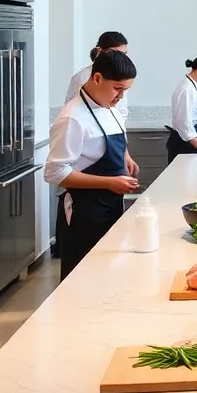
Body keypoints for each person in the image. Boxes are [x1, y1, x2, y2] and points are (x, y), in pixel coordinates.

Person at [47, 50, 139, 280]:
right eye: (117, 89)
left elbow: (111, 140)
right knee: (83, 278)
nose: (120, 96)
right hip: (84, 212)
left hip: (110, 206)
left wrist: (125, 157)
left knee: (108, 274)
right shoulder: (72, 118)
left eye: (125, 91)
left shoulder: (110, 108)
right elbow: (55, 172)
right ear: (97, 78)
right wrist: (109, 182)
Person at [65, 31, 130, 122]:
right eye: (116, 53)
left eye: (124, 55)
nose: (121, 59)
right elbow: (69, 108)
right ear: (100, 51)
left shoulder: (122, 77)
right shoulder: (81, 77)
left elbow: (122, 112)